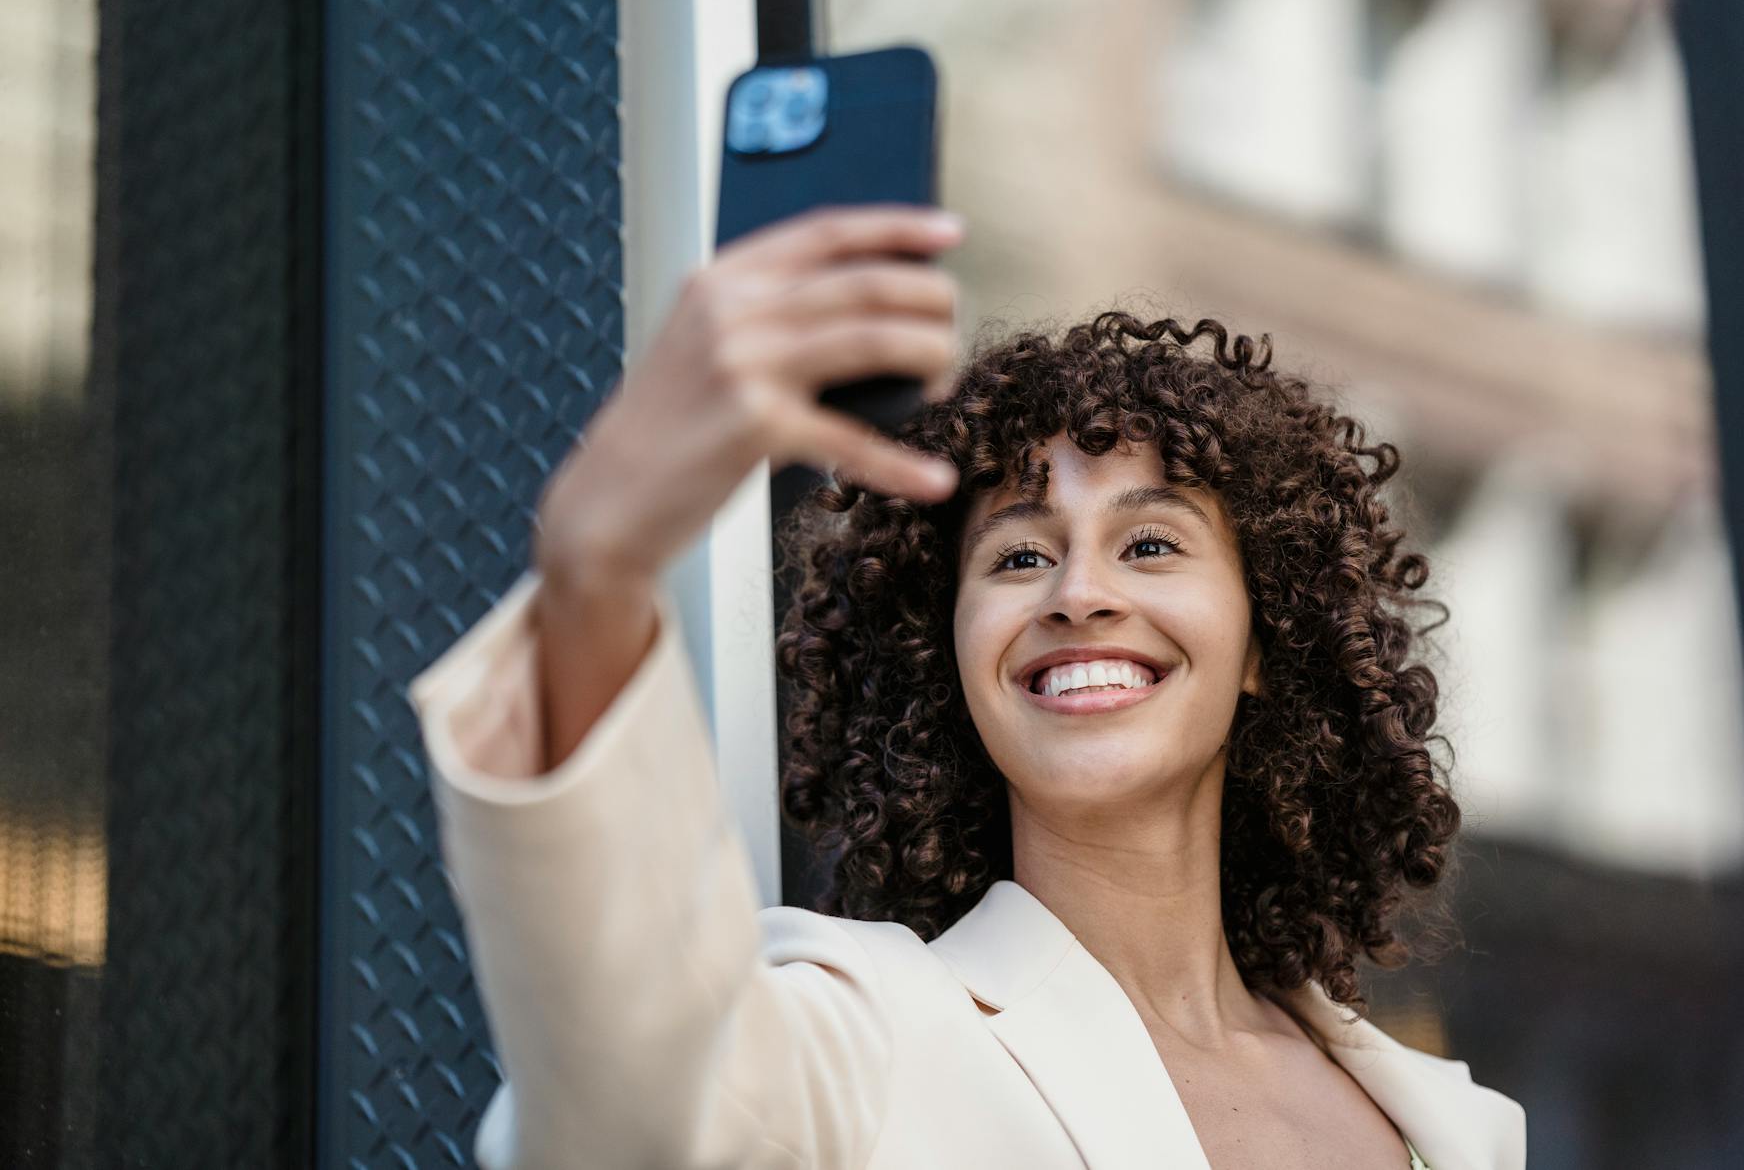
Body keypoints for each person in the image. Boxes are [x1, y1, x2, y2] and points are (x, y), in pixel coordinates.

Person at [408, 204, 1526, 1169]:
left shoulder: (1458, 1125)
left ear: (1260, 643)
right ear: (947, 655)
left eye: (1148, 546)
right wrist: (593, 570)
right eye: (1018, 556)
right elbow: (626, 1123)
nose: (1078, 592)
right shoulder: (865, 1036)